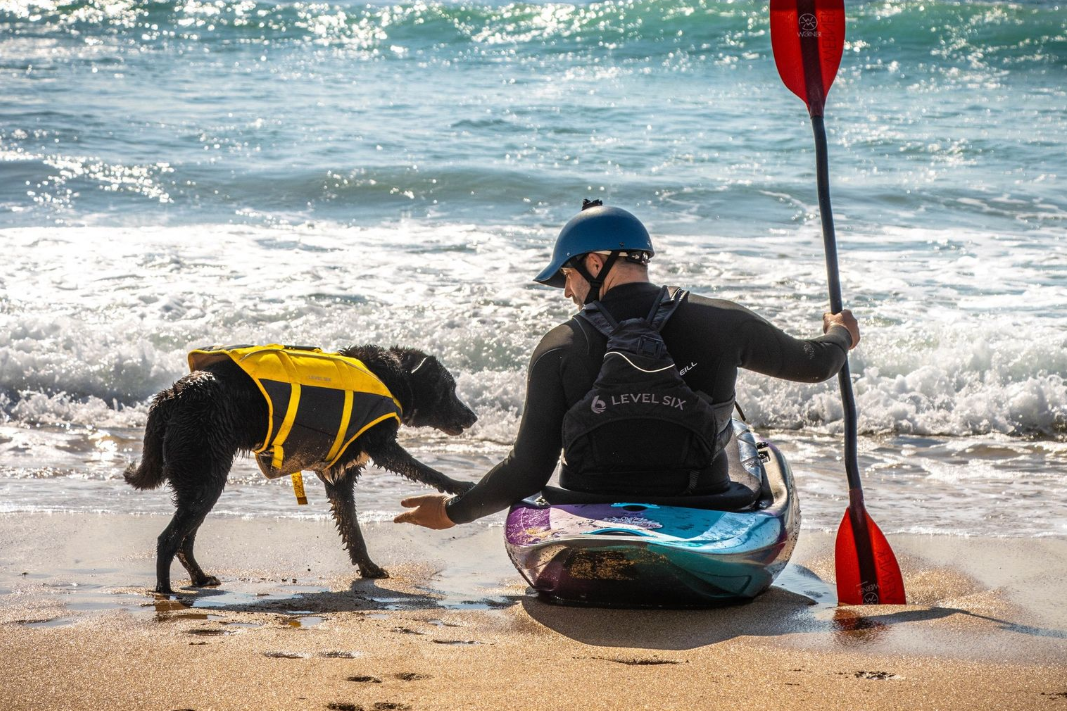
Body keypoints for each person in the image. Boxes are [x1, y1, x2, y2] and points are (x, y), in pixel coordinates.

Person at [395, 201, 859, 530]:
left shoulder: (559, 345)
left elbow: (528, 470)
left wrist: (452, 512)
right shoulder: (723, 320)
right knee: (748, 447)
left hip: (587, 502)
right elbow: (814, 364)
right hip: (701, 498)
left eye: (568, 276)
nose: (566, 292)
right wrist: (840, 332)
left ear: (596, 263)